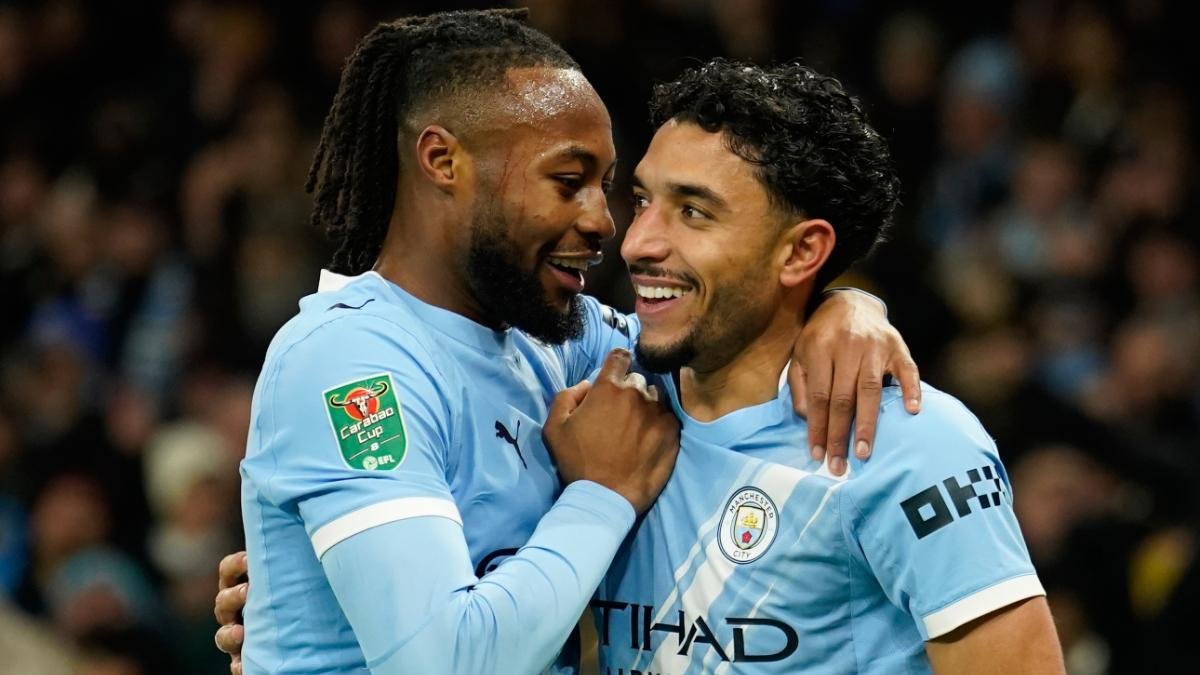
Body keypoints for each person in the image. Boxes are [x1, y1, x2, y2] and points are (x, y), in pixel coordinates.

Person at [223, 10, 919, 675]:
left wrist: (843, 306)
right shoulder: (350, 360)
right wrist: (603, 493)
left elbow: (722, 341)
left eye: (608, 187)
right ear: (442, 160)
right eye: (568, 181)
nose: (604, 221)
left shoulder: (555, 339)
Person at [590, 60, 1063, 673]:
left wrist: (853, 301)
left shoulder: (911, 445)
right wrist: (851, 301)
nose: (636, 243)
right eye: (642, 200)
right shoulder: (604, 378)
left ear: (802, 251)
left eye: (694, 212)